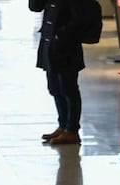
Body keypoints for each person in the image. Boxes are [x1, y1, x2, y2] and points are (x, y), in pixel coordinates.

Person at [30, 0, 85, 146]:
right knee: (54, 88)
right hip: (50, 45)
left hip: (66, 47)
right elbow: (35, 7)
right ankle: (63, 126)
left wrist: (61, 35)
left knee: (68, 89)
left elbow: (80, 17)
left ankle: (72, 130)